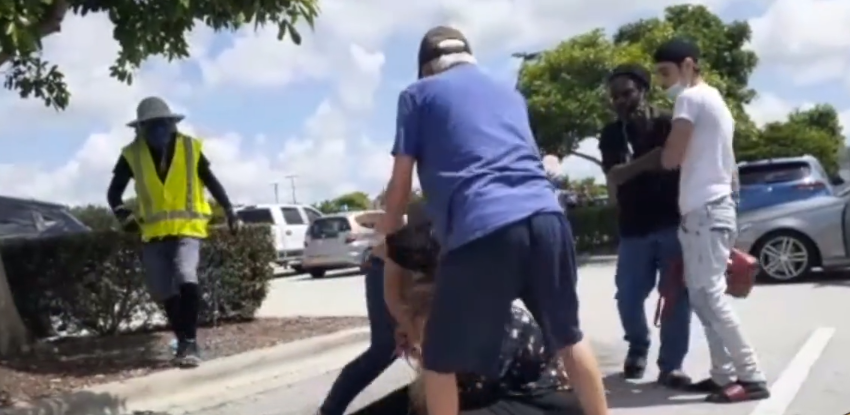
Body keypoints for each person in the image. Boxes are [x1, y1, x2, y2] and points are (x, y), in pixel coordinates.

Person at [378, 25, 609, 415]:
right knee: (567, 337)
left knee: (439, 359)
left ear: (426, 68)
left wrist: (384, 237)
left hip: (482, 227)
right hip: (548, 218)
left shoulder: (417, 95)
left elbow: (400, 186)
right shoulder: (509, 94)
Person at [653, 39, 770, 402]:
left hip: (704, 211)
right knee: (703, 298)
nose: (661, 82)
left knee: (711, 297)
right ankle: (722, 374)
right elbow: (729, 166)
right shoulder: (718, 101)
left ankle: (751, 376)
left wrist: (664, 154)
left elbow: (671, 157)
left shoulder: (690, 99)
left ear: (688, 65)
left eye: (665, 73)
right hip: (712, 209)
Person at [376, 212, 573, 415]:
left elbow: (453, 397)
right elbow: (394, 296)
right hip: (494, 395)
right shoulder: (444, 305)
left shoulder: (454, 316)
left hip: (537, 401)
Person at [106, 96, 241, 367]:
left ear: (172, 124)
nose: (158, 130)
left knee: (185, 275)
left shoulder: (190, 148)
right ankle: (183, 342)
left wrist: (229, 210)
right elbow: (114, 193)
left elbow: (210, 180)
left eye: (162, 124)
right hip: (153, 234)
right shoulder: (132, 154)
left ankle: (190, 342)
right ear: (140, 128)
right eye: (151, 125)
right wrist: (124, 217)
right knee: (163, 291)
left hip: (187, 229)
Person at [599, 64, 692, 388]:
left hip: (672, 224)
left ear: (643, 90)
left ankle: (672, 366)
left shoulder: (668, 122)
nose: (621, 101)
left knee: (675, 298)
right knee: (627, 296)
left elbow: (671, 160)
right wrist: (649, 161)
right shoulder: (611, 134)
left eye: (627, 93)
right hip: (633, 228)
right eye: (615, 97)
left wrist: (633, 168)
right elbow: (614, 175)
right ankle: (638, 345)